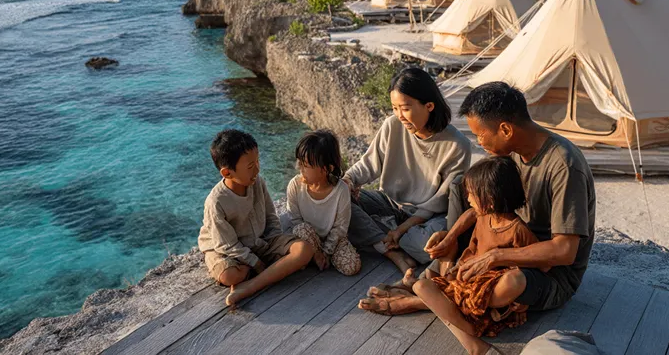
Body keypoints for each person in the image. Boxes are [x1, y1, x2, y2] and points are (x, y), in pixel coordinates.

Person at [360, 81, 596, 321]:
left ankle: (422, 300)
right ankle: (437, 279)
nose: (479, 142)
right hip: (503, 242)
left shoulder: (564, 166)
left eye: (480, 135)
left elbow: (565, 252)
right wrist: (451, 236)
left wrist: (495, 257)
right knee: (462, 189)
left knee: (510, 284)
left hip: (546, 274)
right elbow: (485, 206)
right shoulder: (511, 152)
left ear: (505, 130)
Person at [409, 156, 545, 355]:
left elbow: (540, 265)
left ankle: (471, 339)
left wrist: (522, 302)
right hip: (463, 288)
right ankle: (472, 340)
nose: (468, 199)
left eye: (471, 194)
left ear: (489, 199)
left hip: (484, 301)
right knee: (420, 286)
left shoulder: (518, 230)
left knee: (426, 289)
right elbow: (469, 250)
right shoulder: (483, 217)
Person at [343, 66, 472, 276]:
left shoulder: (457, 145)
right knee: (337, 200)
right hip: (391, 204)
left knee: (426, 247)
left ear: (429, 105)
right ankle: (392, 251)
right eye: (394, 108)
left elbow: (439, 202)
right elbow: (368, 165)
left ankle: (378, 236)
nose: (399, 116)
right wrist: (348, 181)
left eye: (405, 108)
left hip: (427, 218)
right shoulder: (392, 126)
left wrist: (400, 230)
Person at [198, 129, 314, 306]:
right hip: (229, 251)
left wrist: (277, 240)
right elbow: (226, 244)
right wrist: (257, 263)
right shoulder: (216, 202)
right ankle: (269, 271)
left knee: (304, 249)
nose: (257, 168)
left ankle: (249, 286)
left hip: (260, 242)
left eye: (257, 161)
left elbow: (271, 216)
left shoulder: (257, 182)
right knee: (229, 275)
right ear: (227, 173)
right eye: (250, 166)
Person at [286, 130, 361, 276]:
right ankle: (314, 257)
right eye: (299, 163)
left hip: (334, 240)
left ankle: (319, 259)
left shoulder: (341, 190)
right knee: (300, 229)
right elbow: (295, 221)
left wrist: (326, 251)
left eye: (305, 165)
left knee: (352, 266)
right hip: (307, 238)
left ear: (326, 169)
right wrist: (316, 252)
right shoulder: (295, 185)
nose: (299, 169)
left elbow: (340, 227)